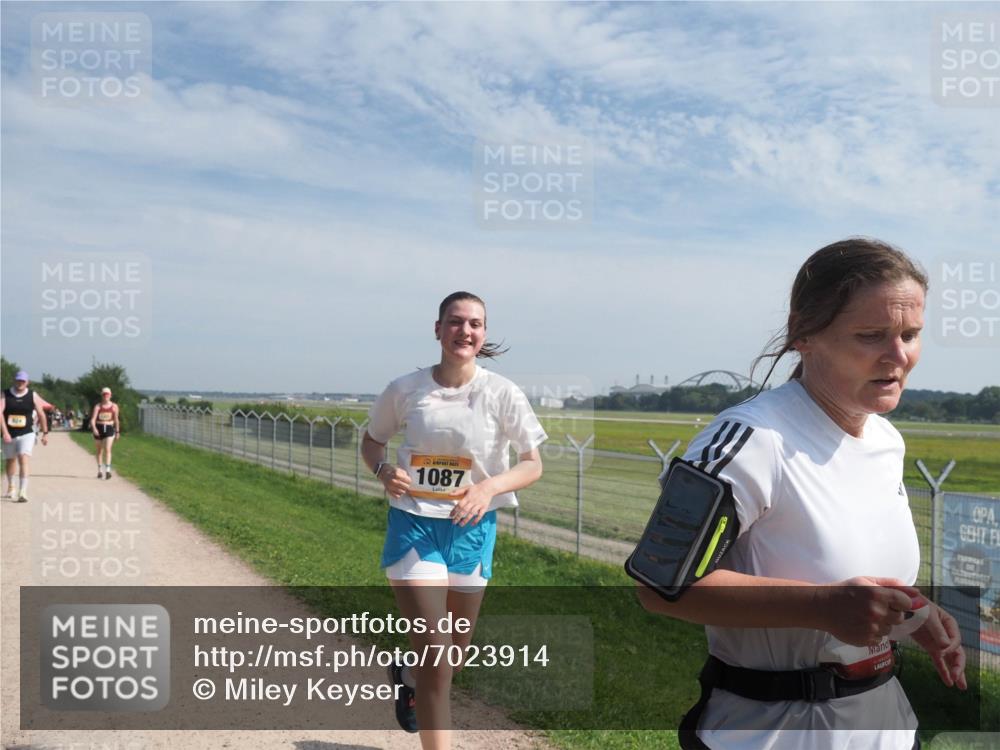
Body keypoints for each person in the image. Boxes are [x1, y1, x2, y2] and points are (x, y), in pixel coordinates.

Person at [637, 239, 966, 750]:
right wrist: (823, 606)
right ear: (804, 334)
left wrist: (916, 616)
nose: (899, 355)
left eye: (911, 334)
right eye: (871, 335)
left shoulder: (885, 439)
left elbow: (858, 575)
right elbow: (659, 587)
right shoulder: (751, 440)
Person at [361, 291, 546, 749]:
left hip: (472, 529)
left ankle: (406, 678)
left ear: (484, 334)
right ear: (438, 328)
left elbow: (532, 463)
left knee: (452, 657)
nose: (466, 331)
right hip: (415, 525)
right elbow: (372, 443)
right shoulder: (405, 389)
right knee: (436, 658)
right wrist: (384, 472)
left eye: (476, 324)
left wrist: (487, 488)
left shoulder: (502, 392)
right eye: (456, 321)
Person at [1, 370, 49, 502]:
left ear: (27, 382)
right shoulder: (5, 394)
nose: (20, 383)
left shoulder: (32, 395)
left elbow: (41, 414)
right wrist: (4, 432)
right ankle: (11, 486)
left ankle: (23, 492)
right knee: (10, 460)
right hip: (9, 433)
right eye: (18, 380)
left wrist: (45, 433)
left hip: (27, 432)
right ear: (14, 380)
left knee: (23, 458)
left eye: (23, 381)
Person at [90, 387, 121, 479]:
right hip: (99, 428)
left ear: (110, 395)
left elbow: (116, 419)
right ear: (102, 396)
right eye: (104, 394)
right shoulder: (98, 406)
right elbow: (92, 420)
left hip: (109, 428)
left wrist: (117, 431)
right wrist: (94, 429)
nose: (106, 396)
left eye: (107, 394)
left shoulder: (114, 406)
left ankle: (107, 470)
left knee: (107, 448)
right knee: (99, 450)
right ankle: (99, 470)